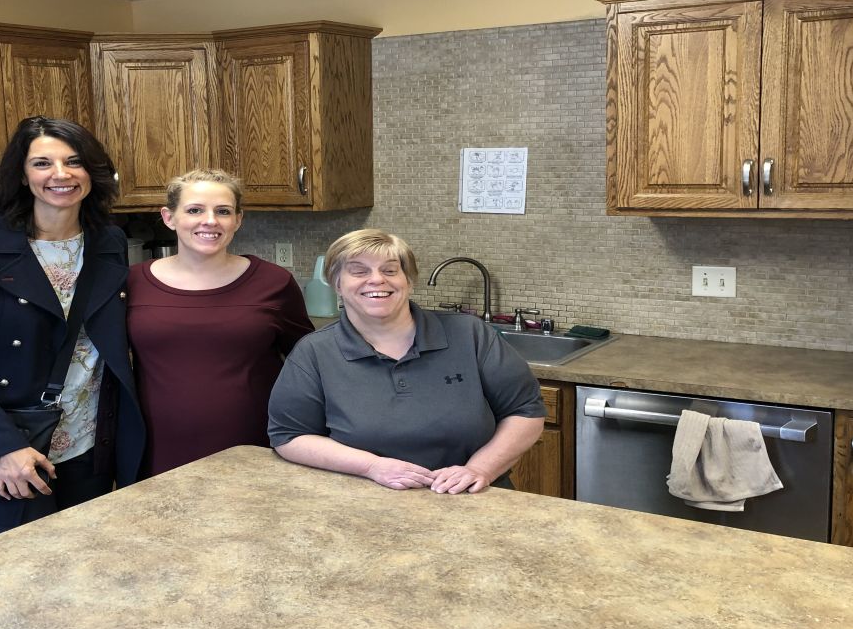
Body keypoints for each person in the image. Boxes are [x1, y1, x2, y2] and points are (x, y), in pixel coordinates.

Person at [0, 116, 145, 537]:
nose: (61, 174)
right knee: (23, 571)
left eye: (74, 161)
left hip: (90, 445)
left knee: (92, 561)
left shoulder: (108, 241)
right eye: (42, 163)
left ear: (92, 172)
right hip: (13, 451)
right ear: (23, 176)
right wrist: (3, 446)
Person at [267, 229, 544, 494]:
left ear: (408, 281)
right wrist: (372, 467)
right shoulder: (314, 352)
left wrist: (479, 469)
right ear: (337, 284)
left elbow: (525, 411)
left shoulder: (470, 335)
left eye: (390, 270)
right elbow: (289, 436)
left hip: (473, 497)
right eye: (359, 271)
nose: (377, 280)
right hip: (361, 502)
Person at [127, 168, 313, 476]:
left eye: (223, 211)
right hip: (157, 447)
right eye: (195, 210)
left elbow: (307, 364)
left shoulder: (274, 282)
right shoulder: (133, 283)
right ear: (169, 217)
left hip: (254, 445)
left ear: (238, 219)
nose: (210, 221)